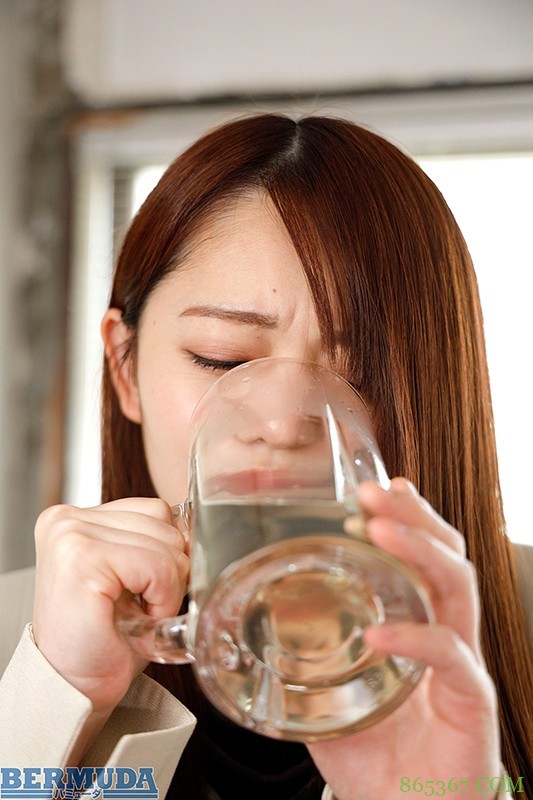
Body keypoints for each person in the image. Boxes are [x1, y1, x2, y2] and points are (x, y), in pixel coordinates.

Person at [0, 114, 531, 800]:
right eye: (221, 359)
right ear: (125, 369)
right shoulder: (14, 632)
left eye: (360, 376)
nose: (282, 423)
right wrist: (51, 710)